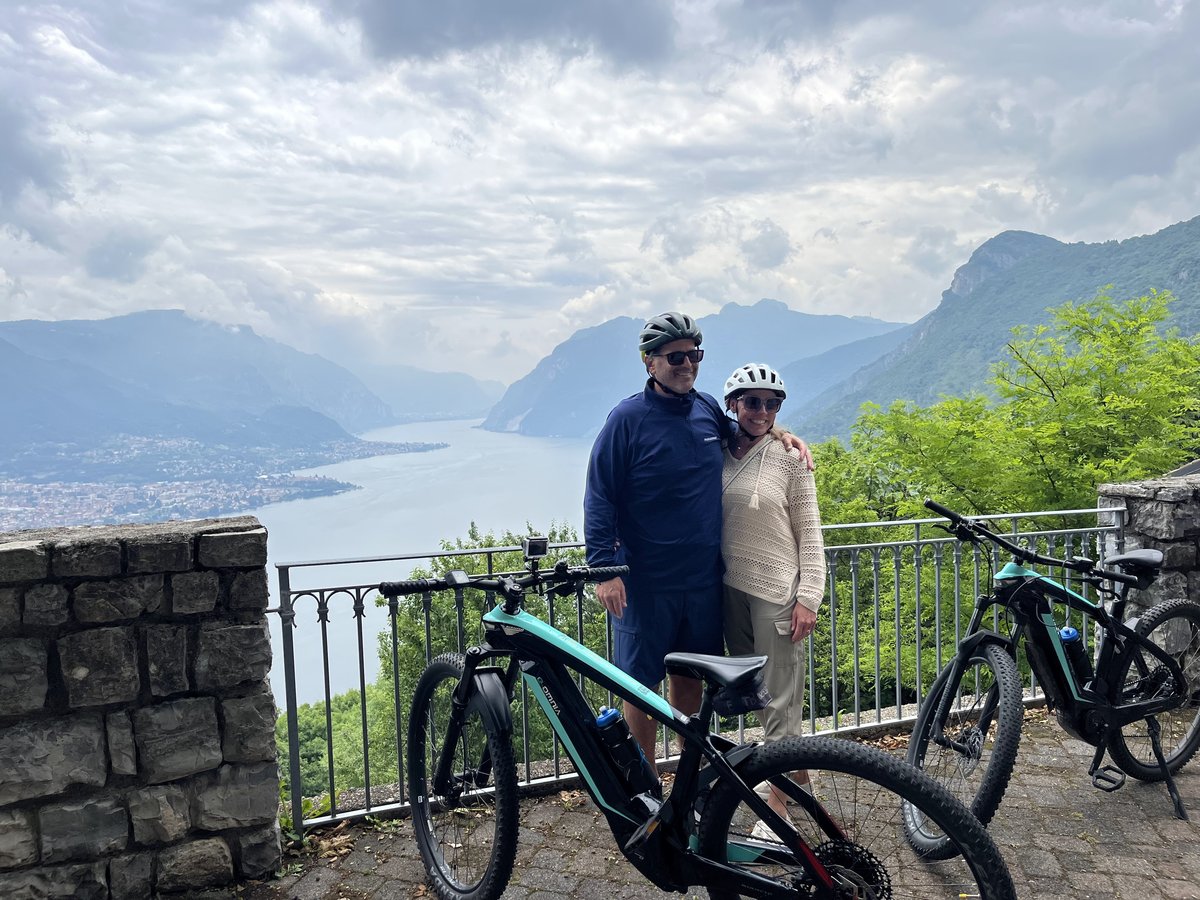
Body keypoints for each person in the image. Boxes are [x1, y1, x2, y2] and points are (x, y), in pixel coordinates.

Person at [584, 312, 811, 768]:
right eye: (675, 357)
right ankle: (644, 785)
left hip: (703, 582)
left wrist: (788, 435)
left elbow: (750, 433)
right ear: (650, 363)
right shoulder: (626, 419)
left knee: (689, 680)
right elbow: (599, 495)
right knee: (640, 684)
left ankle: (690, 779)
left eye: (695, 355)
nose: (687, 364)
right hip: (644, 584)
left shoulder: (707, 408)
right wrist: (604, 570)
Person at [720, 362, 826, 826]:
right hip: (729, 590)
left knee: (780, 700)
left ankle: (779, 806)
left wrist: (810, 596)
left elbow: (810, 532)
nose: (762, 411)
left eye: (772, 403)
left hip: (778, 593)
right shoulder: (719, 449)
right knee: (761, 695)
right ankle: (800, 777)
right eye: (752, 401)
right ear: (733, 405)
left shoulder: (790, 458)